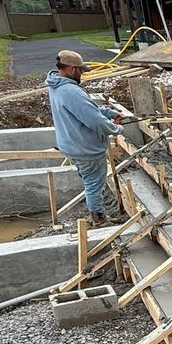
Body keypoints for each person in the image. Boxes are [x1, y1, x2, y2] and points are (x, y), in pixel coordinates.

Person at [45, 49, 123, 227]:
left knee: (90, 182)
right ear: (72, 69)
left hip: (72, 145)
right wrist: (116, 129)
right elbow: (96, 122)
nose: (82, 74)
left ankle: (97, 214)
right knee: (94, 184)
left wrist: (108, 112)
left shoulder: (55, 84)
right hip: (86, 148)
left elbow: (84, 111)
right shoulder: (71, 91)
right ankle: (100, 219)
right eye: (81, 70)